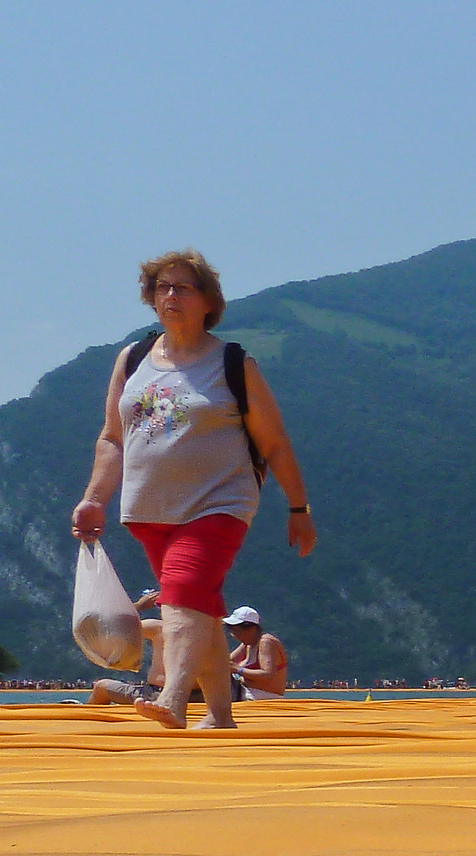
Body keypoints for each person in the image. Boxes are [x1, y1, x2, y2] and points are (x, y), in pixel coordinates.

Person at [69, 250, 316, 730]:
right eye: (162, 287)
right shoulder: (134, 358)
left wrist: (298, 506)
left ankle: (176, 697)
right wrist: (95, 497)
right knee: (198, 605)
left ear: (208, 301)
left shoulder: (232, 363)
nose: (169, 296)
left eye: (182, 287)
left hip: (218, 502)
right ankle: (221, 715)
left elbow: (275, 443)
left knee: (181, 594)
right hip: (148, 509)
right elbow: (112, 438)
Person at [225, 607, 288, 701]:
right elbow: (226, 661)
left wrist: (238, 669)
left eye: (237, 631)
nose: (234, 635)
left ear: (251, 628)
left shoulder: (266, 642)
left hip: (263, 696)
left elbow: (267, 674)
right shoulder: (247, 643)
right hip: (244, 692)